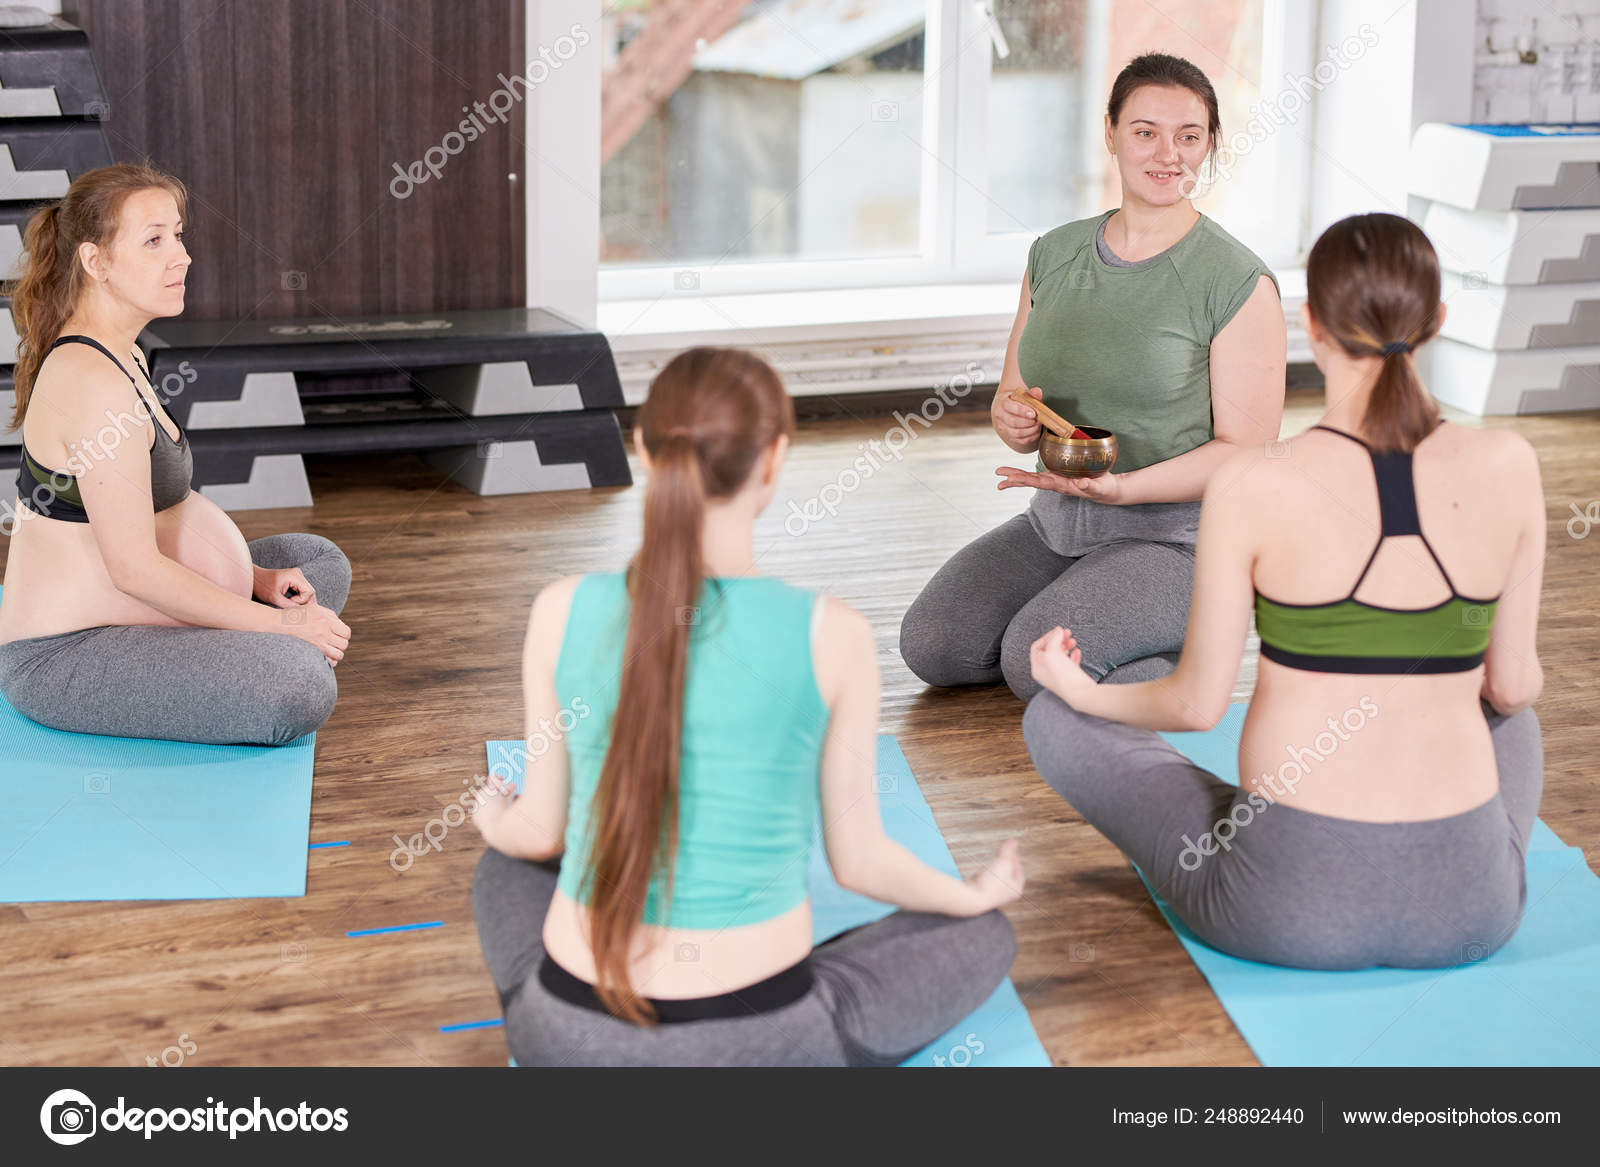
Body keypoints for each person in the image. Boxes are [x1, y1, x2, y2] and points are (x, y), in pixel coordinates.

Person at [471, 346, 1022, 1066]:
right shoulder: (833, 633)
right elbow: (860, 864)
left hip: (567, 1034)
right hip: (761, 1042)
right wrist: (972, 894)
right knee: (985, 933)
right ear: (774, 460)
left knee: (502, 864)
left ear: (642, 448)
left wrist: (492, 817)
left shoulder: (560, 608)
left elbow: (539, 832)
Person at [1023, 212, 1545, 970]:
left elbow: (1196, 706)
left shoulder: (1253, 481)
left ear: (1312, 325)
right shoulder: (1510, 461)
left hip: (1286, 908)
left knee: (1054, 717)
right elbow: (1516, 683)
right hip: (1471, 908)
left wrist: (1078, 686)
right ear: (1435, 320)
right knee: (1509, 713)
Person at [901, 52, 1285, 700]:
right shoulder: (1053, 254)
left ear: (1210, 145)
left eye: (1189, 136)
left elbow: (1246, 454)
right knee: (934, 643)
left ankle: (1189, 657)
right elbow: (1016, 400)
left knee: (1033, 660)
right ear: (1109, 132)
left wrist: (1127, 489)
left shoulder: (1237, 281)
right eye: (1145, 131)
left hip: (1179, 544)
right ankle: (1102, 627)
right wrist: (1010, 419)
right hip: (1056, 525)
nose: (1169, 153)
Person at [0, 164, 351, 745]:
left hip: (137, 611)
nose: (182, 256)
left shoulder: (125, 354)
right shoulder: (92, 381)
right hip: (69, 649)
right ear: (96, 262)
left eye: (179, 235)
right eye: (154, 240)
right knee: (297, 690)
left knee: (315, 561)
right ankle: (256, 656)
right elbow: (134, 569)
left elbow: (158, 524)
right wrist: (281, 627)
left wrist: (257, 580)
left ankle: (239, 649)